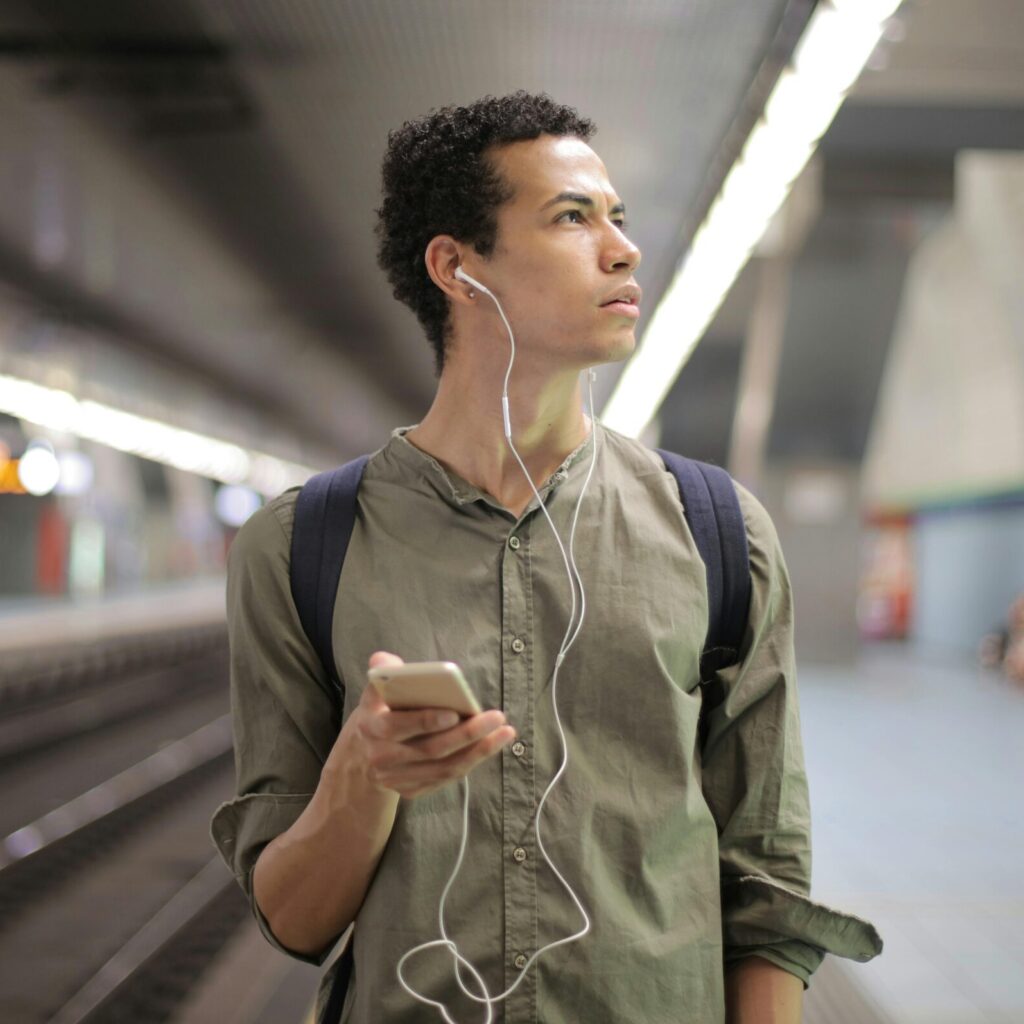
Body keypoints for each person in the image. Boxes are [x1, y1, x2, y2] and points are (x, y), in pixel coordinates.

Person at [211, 91, 881, 1024]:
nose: (622, 248)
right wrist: (362, 775)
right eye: (573, 218)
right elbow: (291, 916)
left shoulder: (718, 530)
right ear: (457, 266)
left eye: (617, 217)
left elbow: (765, 879)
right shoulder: (300, 546)